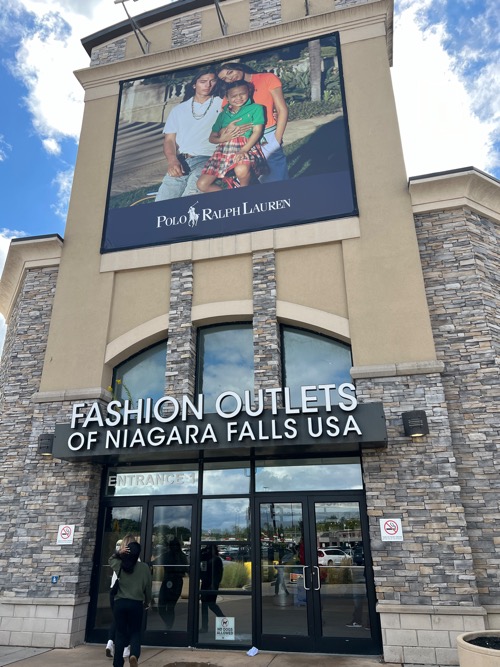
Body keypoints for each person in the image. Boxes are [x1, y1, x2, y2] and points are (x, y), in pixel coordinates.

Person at [217, 62, 289, 183]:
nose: (229, 78)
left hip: (267, 136)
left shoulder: (267, 78)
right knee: (247, 179)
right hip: (242, 139)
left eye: (230, 72)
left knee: (277, 179)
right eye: (224, 78)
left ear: (238, 67)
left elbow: (282, 109)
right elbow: (225, 116)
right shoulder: (231, 90)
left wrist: (277, 138)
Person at [197, 80, 267, 192]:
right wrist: (222, 138)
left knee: (241, 169)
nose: (239, 98)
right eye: (234, 96)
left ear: (248, 92)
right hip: (223, 151)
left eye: (242, 94)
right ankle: (230, 197)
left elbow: (257, 131)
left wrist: (243, 150)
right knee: (202, 184)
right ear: (227, 98)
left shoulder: (256, 108)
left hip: (246, 146)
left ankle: (244, 193)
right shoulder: (223, 115)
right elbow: (212, 138)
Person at [109, 541, 152, 667]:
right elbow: (148, 588)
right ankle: (134, 655)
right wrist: (147, 601)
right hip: (136, 604)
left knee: (120, 633)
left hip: (120, 603)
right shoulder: (144, 568)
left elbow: (110, 559)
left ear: (126, 551)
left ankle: (118, 663)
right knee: (135, 632)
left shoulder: (120, 565)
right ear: (138, 554)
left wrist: (119, 553)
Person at [106, 534, 135, 659]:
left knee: (117, 618)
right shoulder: (135, 559)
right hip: (126, 593)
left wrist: (118, 553)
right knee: (127, 620)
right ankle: (125, 647)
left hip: (114, 590)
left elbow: (110, 559)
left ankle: (110, 642)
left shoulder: (117, 558)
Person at [158, 537, 189, 630]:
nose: (173, 548)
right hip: (171, 581)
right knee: (163, 607)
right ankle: (168, 625)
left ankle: (168, 626)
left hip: (175, 582)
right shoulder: (168, 555)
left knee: (168, 607)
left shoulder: (181, 556)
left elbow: (187, 569)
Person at [199, 544, 224, 633]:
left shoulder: (216, 559)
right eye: (207, 549)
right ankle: (204, 626)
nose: (208, 551)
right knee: (204, 606)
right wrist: (202, 552)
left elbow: (218, 575)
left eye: (210, 549)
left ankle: (223, 620)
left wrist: (214, 585)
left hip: (212, 585)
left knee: (211, 604)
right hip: (205, 584)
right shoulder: (206, 559)